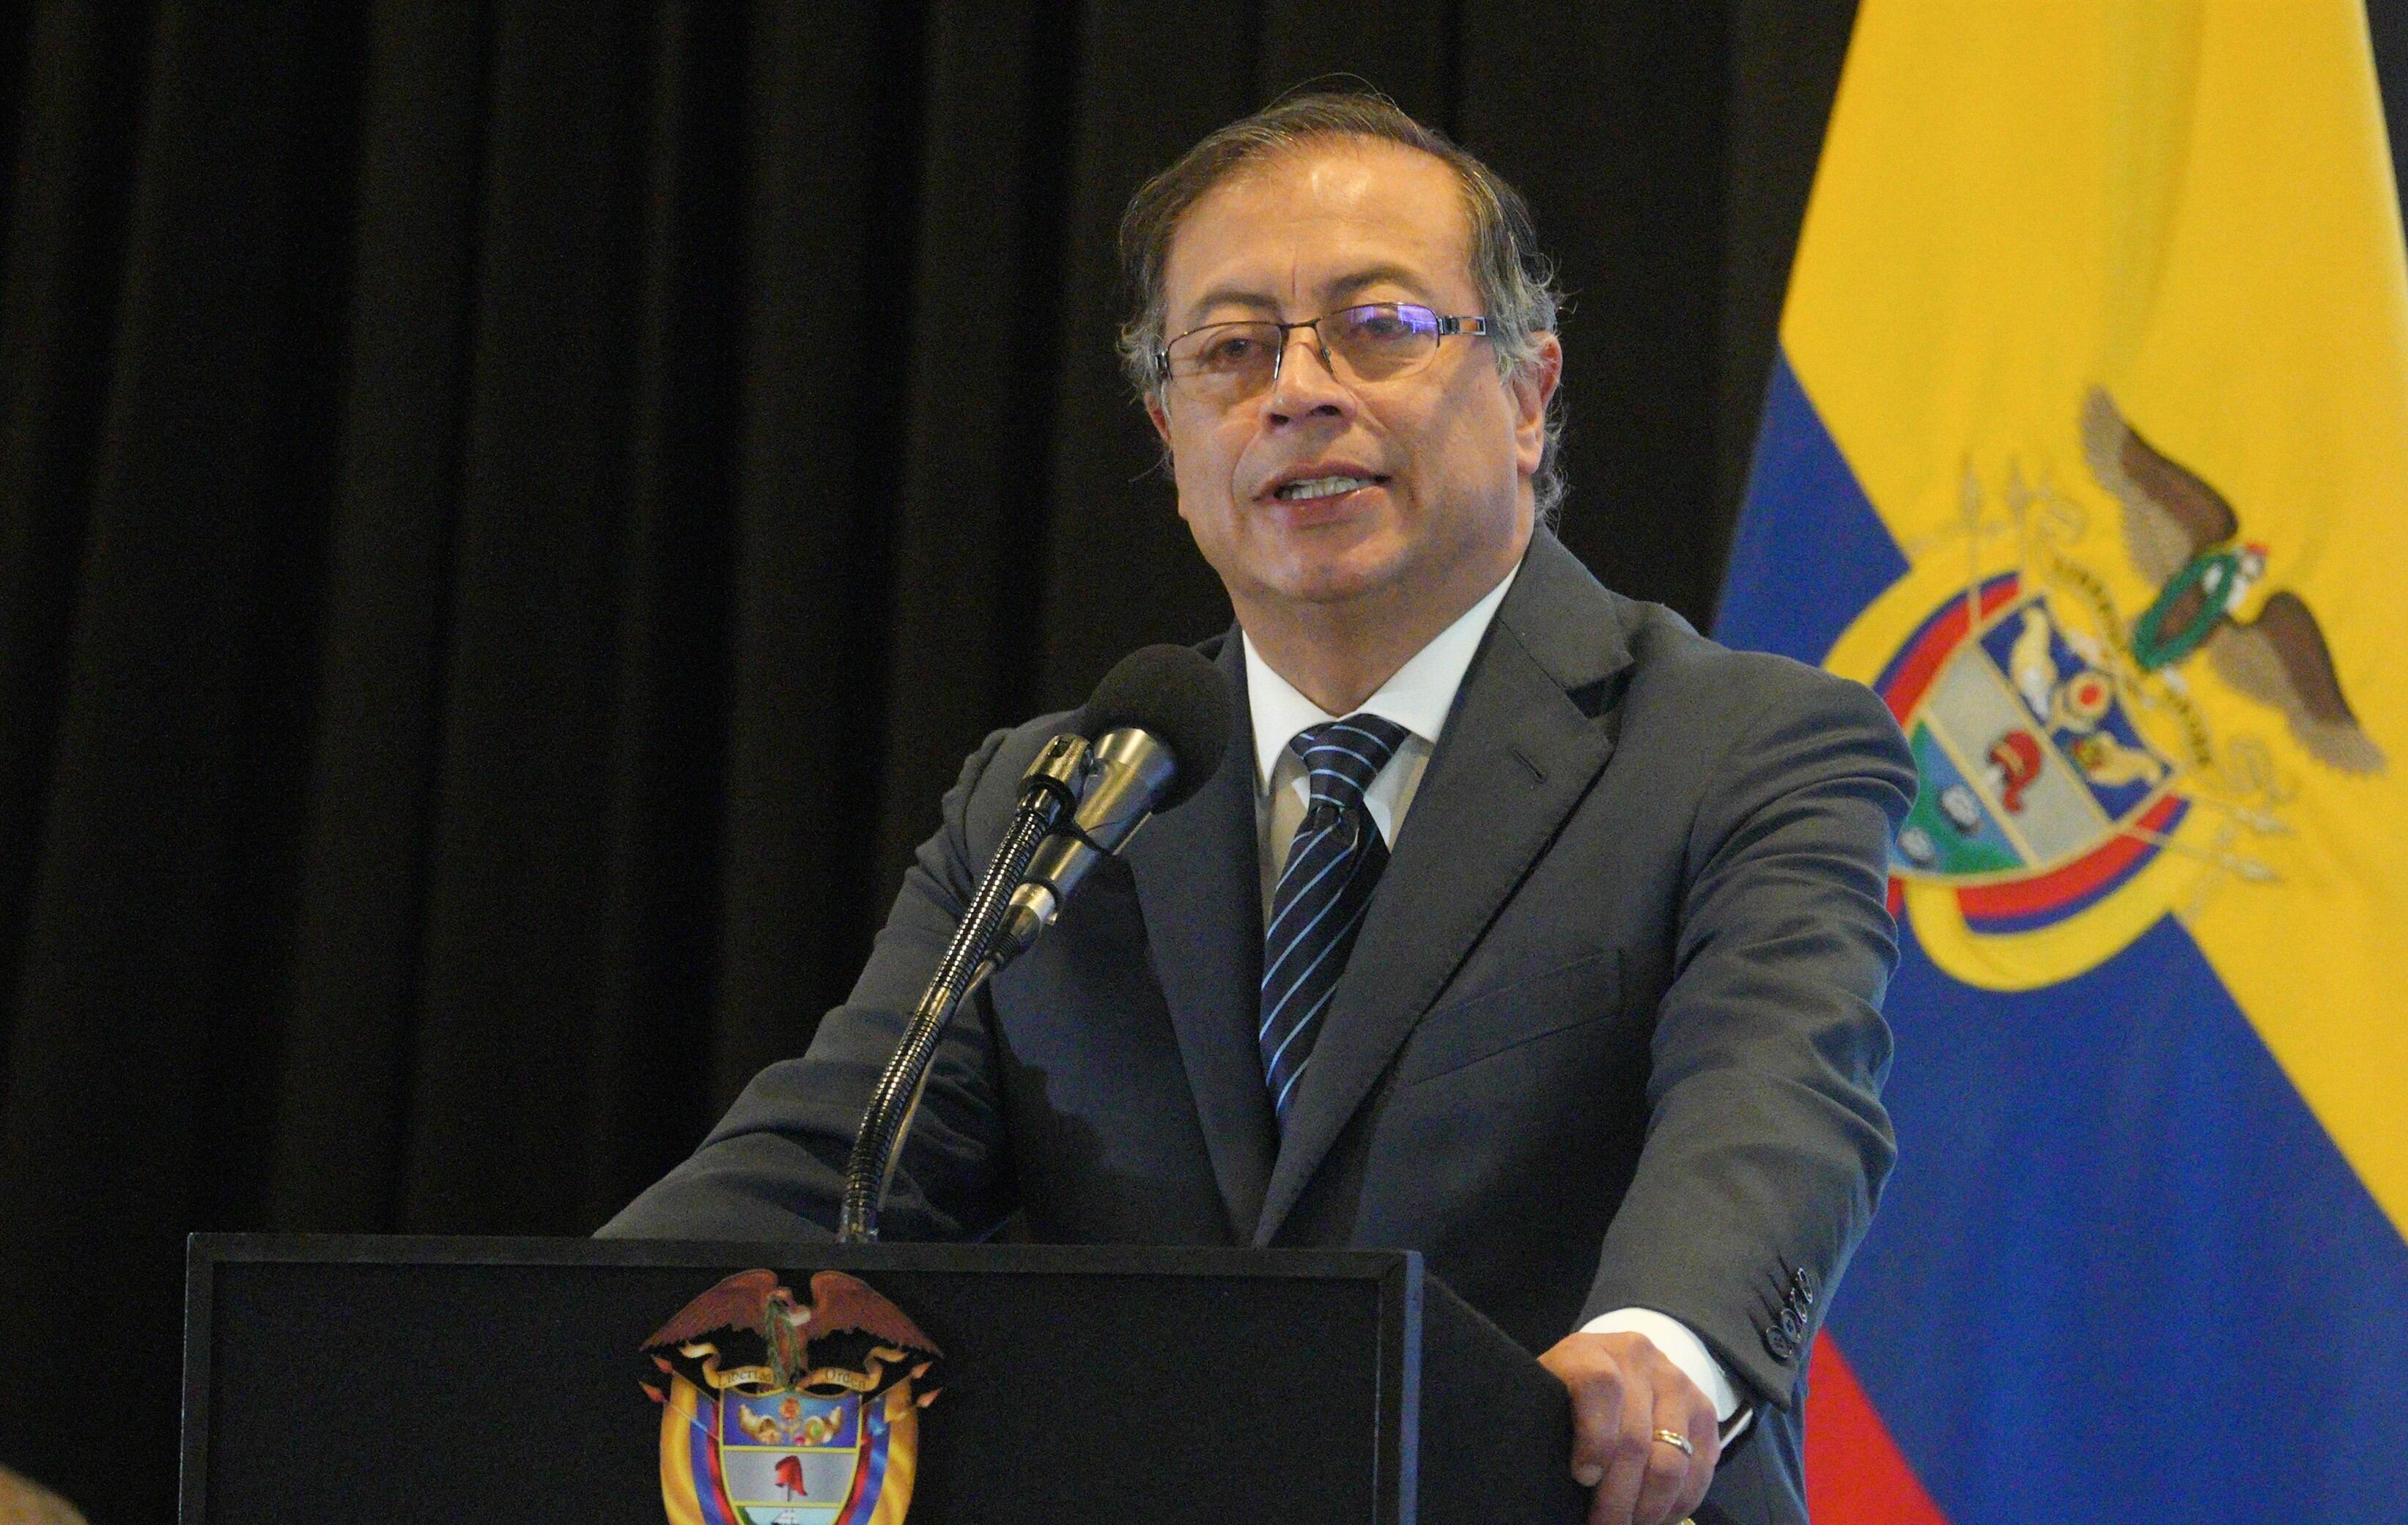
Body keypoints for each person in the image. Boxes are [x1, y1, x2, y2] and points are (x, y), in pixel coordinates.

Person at [604, 90, 1914, 1525]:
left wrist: (1664, 1340)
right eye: (1230, 351)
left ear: (1529, 396)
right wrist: (520, 1343)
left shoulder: (1745, 747)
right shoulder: (1058, 802)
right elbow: (831, 1164)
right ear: (1171, 436)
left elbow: (1775, 1098)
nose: (1298, 390)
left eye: (1378, 327)